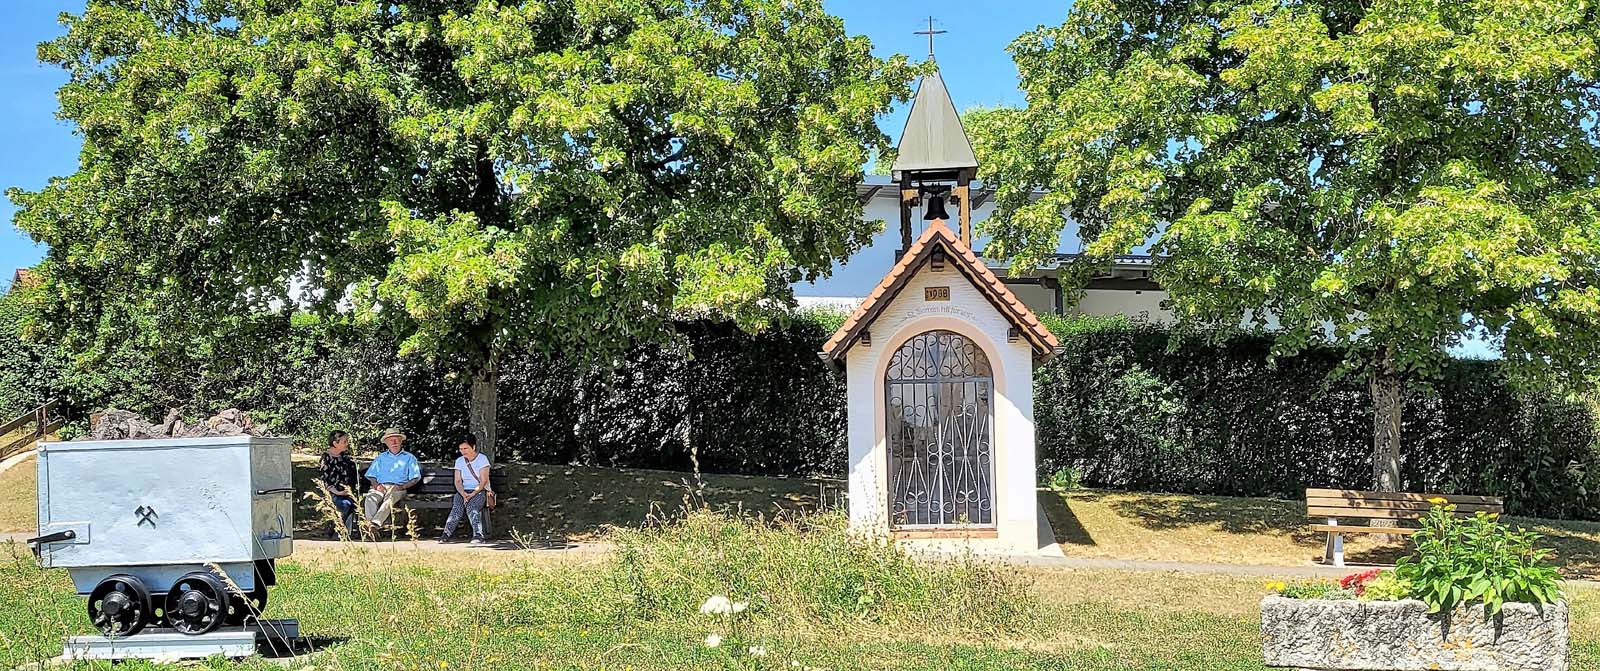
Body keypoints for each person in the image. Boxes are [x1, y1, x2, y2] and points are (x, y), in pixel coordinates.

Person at [363, 427, 421, 530]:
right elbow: (371, 475)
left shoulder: (409, 458)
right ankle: (371, 528)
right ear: (386, 443)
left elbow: (415, 478)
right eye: (390, 440)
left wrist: (402, 486)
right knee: (370, 498)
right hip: (381, 486)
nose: (394, 442)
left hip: (398, 487)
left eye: (396, 439)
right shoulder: (381, 457)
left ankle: (374, 525)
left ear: (401, 441)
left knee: (390, 498)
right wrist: (377, 485)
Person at [440, 432, 492, 545]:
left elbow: (483, 480)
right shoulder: (459, 461)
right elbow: (458, 481)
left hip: (479, 491)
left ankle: (478, 535)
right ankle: (446, 533)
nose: (463, 451)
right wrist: (463, 493)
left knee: (472, 507)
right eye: (461, 449)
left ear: (473, 447)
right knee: (456, 508)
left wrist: (473, 493)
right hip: (463, 491)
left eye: (466, 448)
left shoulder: (482, 459)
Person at [318, 430, 360, 536]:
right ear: (335, 443)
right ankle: (333, 529)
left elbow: (352, 473)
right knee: (345, 504)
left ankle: (342, 530)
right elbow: (324, 480)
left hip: (346, 491)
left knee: (355, 503)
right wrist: (337, 492)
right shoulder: (326, 458)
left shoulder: (345, 456)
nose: (347, 444)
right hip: (332, 491)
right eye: (344, 441)